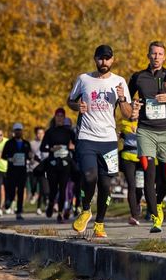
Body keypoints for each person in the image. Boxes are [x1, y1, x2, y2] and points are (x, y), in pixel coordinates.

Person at [68, 44, 134, 238]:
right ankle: (86, 209)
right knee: (89, 177)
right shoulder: (84, 79)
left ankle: (100, 223)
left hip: (109, 140)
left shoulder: (119, 81)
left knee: (105, 184)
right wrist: (76, 106)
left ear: (112, 60)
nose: (103, 62)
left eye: (107, 58)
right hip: (86, 137)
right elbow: (70, 100)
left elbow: (129, 114)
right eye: (100, 58)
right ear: (95, 59)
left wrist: (122, 98)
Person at [129, 41, 166, 233]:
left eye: (160, 54)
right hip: (145, 131)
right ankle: (155, 216)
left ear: (164, 57)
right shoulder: (138, 77)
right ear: (148, 56)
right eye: (153, 53)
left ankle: (157, 202)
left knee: (165, 178)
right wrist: (132, 108)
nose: (156, 56)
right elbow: (124, 98)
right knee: (148, 173)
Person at [41, 108, 76, 221]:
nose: (60, 118)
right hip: (52, 164)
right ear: (55, 117)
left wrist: (72, 147)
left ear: (64, 118)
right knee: (53, 189)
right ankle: (51, 204)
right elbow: (42, 147)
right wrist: (51, 148)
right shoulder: (50, 132)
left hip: (65, 164)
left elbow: (77, 143)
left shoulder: (68, 131)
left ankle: (60, 213)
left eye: (62, 116)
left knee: (63, 188)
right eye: (58, 116)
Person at [1, 122, 34, 219]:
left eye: (20, 130)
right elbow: (3, 155)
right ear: (14, 132)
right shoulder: (9, 143)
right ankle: (9, 200)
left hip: (22, 171)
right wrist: (10, 159)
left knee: (20, 191)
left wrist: (31, 157)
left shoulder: (26, 144)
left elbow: (29, 155)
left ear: (22, 131)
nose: (18, 132)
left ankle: (19, 211)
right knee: (11, 189)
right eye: (16, 130)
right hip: (12, 170)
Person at [119, 117, 144, 224]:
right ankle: (134, 215)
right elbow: (121, 134)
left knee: (139, 187)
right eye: (132, 106)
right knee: (131, 185)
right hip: (127, 158)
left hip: (141, 159)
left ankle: (137, 203)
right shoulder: (125, 122)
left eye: (137, 106)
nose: (134, 109)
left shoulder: (145, 121)